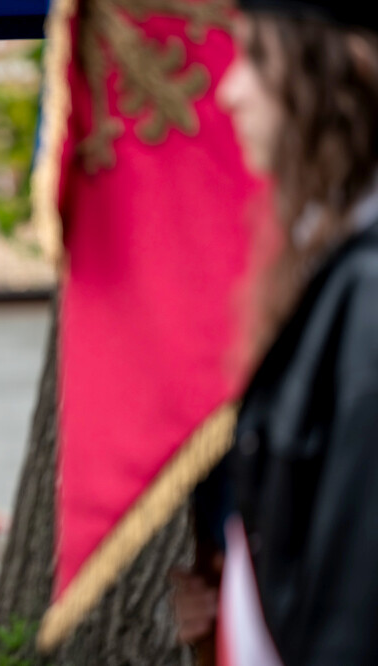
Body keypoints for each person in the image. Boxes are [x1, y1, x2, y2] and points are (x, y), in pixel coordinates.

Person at [172, 3, 378, 664]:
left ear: (335, 71)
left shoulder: (369, 288)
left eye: (258, 58)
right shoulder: (332, 264)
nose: (230, 92)